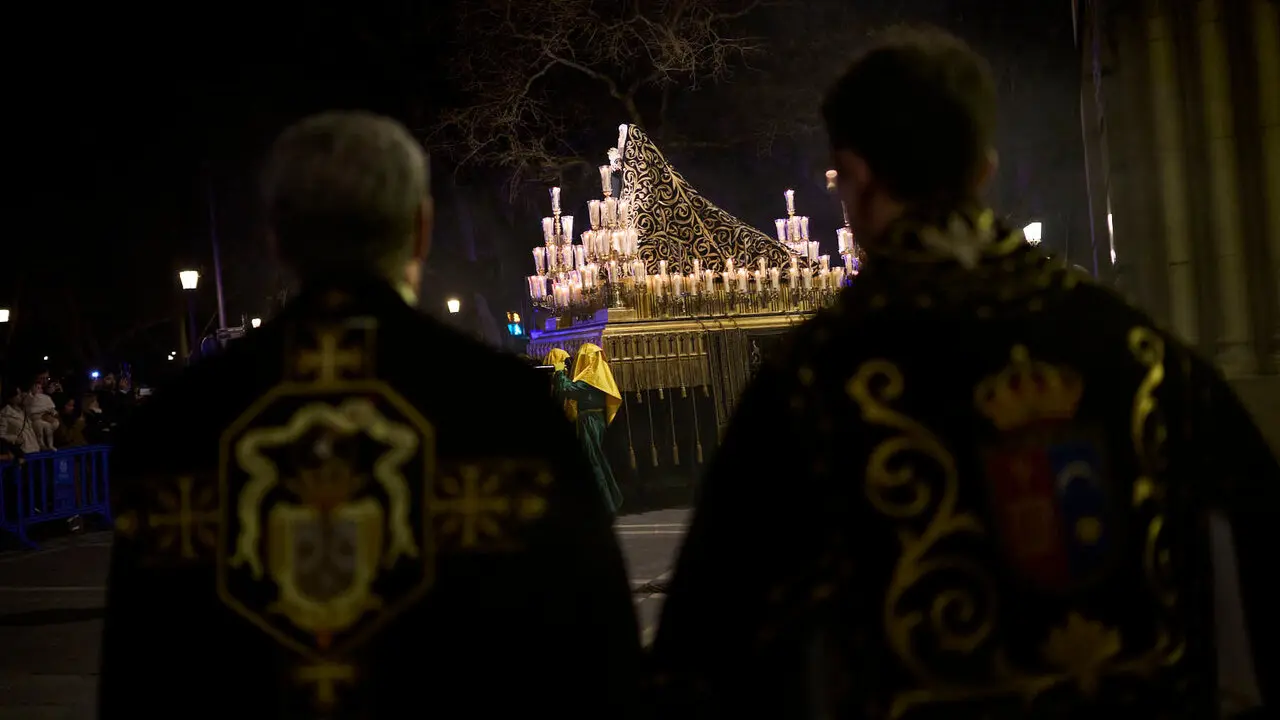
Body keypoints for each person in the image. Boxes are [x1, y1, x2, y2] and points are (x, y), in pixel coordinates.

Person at [652, 25, 1279, 718]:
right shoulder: (1139, 349)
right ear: (983, 168)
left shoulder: (814, 379)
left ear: (855, 180)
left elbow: (706, 654)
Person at [100, 111, 642, 719]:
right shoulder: (506, 408)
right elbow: (599, 665)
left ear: (278, 237)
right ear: (420, 229)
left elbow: (138, 684)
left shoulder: (174, 428)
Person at [551, 344, 624, 517]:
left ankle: (605, 505)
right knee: (596, 460)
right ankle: (610, 501)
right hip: (593, 420)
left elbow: (566, 388)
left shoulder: (590, 380)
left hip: (589, 421)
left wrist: (559, 370)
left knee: (593, 462)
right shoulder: (597, 377)